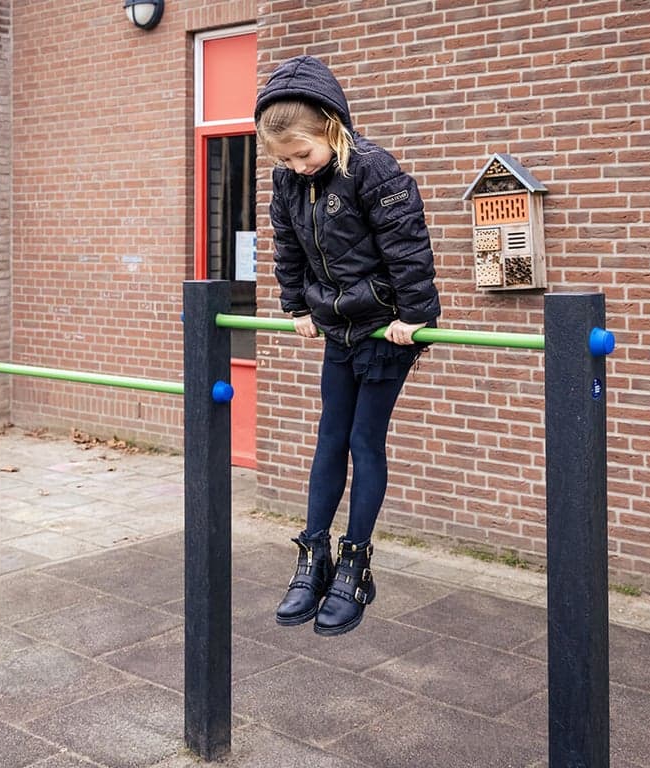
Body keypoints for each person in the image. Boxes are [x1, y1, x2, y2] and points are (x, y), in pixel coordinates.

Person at [254, 55, 442, 636]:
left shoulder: (374, 171)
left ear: (332, 127)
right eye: (284, 158)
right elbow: (288, 248)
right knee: (328, 438)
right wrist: (295, 305)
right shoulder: (289, 182)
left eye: (303, 153)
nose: (296, 166)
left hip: (386, 329)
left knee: (365, 439)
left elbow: (409, 247)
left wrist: (413, 316)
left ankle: (355, 562)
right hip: (337, 326)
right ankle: (313, 559)